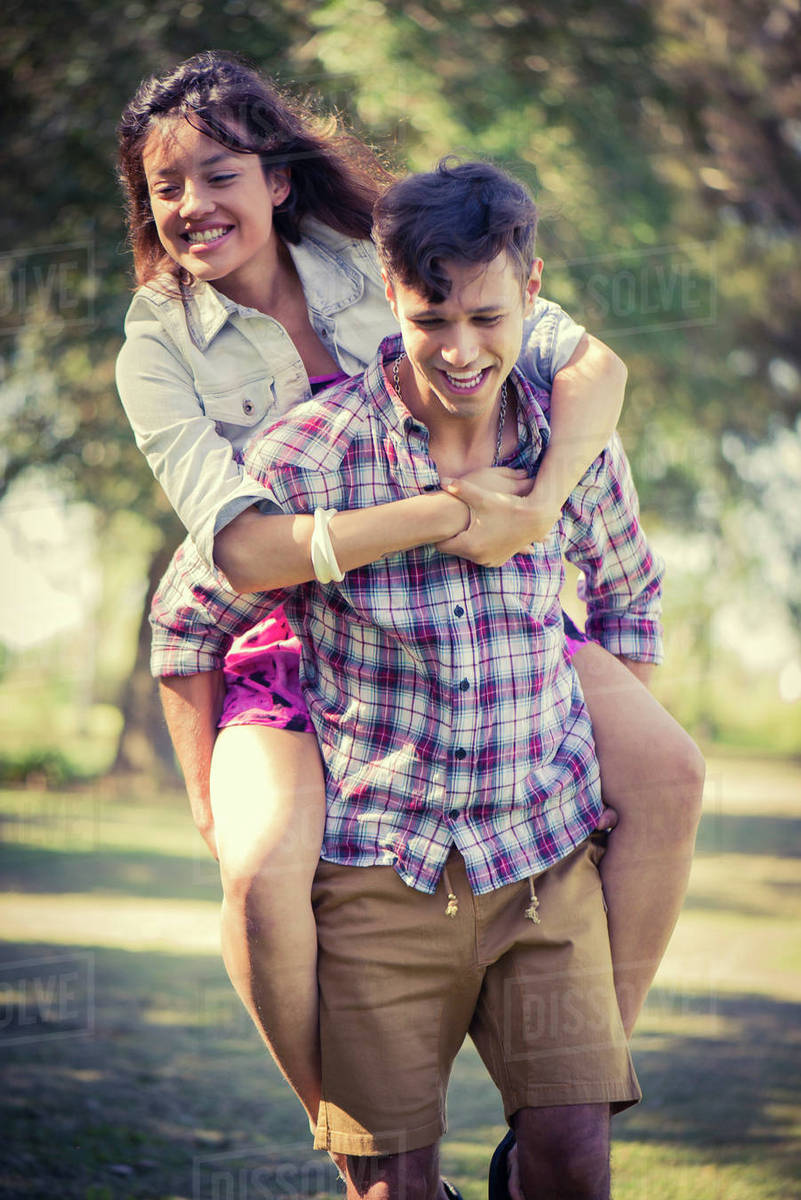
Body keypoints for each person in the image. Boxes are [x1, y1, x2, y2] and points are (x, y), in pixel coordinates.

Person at [116, 52, 703, 1139]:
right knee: (258, 873)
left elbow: (590, 370)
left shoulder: (378, 255)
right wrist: (443, 510)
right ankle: (353, 1132)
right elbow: (232, 565)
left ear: (278, 178)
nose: (195, 204)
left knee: (668, 767)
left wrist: (533, 509)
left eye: (222, 173)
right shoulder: (157, 349)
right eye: (169, 186)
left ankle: (575, 1094)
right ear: (146, 204)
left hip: (478, 598)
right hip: (291, 630)